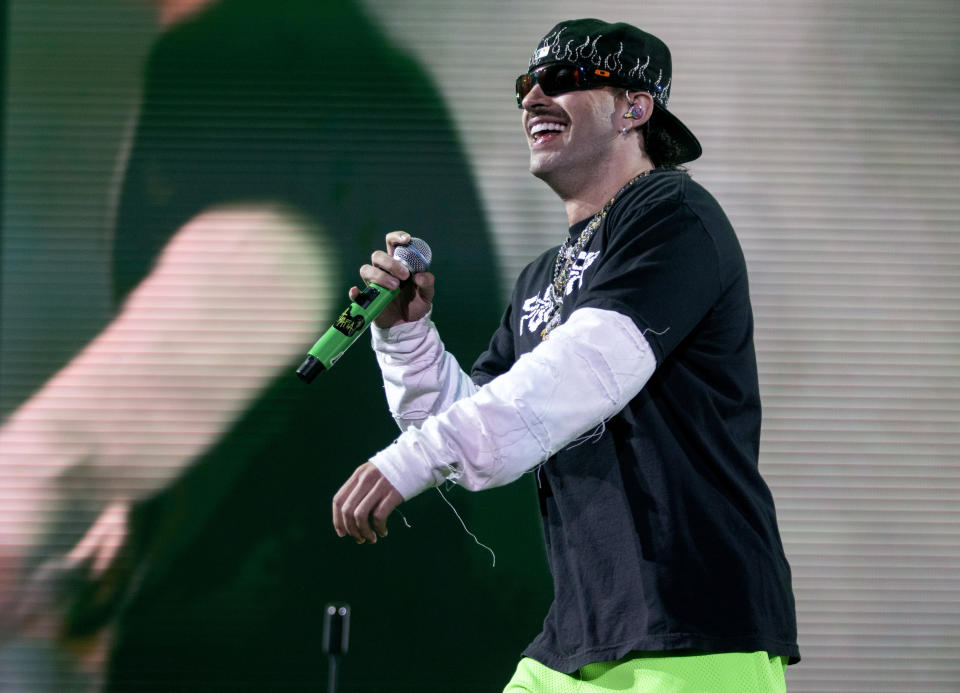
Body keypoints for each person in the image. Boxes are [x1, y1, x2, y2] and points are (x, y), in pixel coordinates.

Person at [0, 1, 550, 690]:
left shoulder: (249, 52)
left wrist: (23, 480)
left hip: (317, 619)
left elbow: (259, 272)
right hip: (410, 601)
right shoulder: (359, 62)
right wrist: (143, 518)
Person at [333, 18, 800, 692]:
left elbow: (590, 368)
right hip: (578, 637)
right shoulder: (540, 278)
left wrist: (412, 458)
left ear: (635, 108)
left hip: (695, 631)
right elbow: (481, 430)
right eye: (527, 84)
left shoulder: (674, 214)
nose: (532, 98)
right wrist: (405, 337)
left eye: (564, 79)